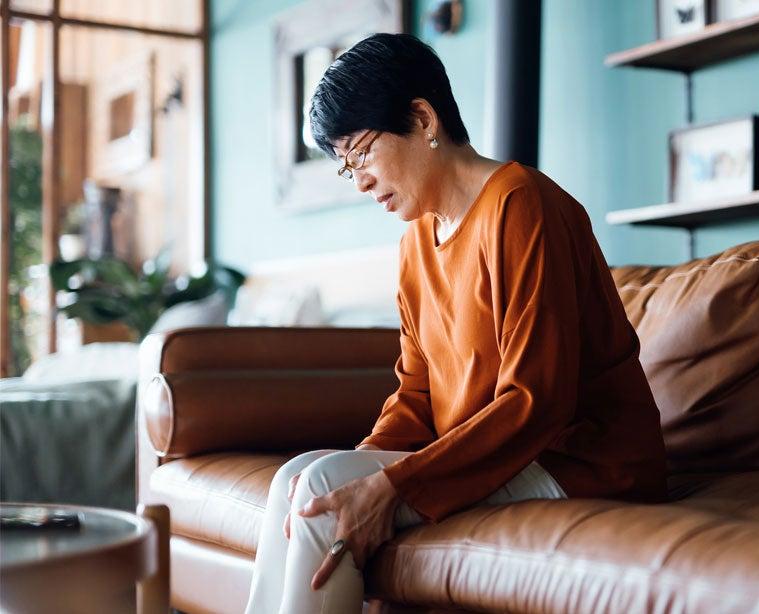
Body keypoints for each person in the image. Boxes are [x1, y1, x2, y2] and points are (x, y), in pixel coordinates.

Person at [244, 33, 667, 614]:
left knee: (320, 489)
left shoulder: (522, 205)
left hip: (580, 462)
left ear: (421, 118)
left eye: (361, 153)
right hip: (498, 455)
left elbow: (536, 401)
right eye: (346, 166)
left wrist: (391, 485)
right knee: (303, 478)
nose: (360, 180)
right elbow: (417, 394)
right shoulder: (417, 240)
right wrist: (360, 471)